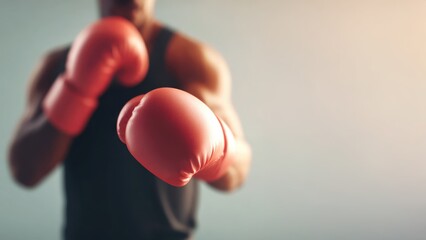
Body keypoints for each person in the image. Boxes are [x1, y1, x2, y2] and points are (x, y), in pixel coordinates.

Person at [8, 0, 252, 239]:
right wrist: (75, 90)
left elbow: (238, 170)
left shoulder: (191, 60)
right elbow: (23, 171)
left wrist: (218, 148)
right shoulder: (56, 65)